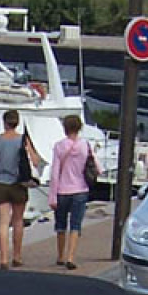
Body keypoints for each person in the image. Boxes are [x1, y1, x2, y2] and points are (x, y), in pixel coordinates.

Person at [0, 108, 43, 269]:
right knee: (18, 221)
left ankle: (3, 259)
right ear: (17, 123)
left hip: (1, 184)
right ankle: (17, 256)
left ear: (4, 122)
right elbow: (36, 161)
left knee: (3, 222)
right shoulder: (22, 140)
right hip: (19, 184)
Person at [48, 113, 95, 270]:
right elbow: (97, 167)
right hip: (80, 189)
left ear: (65, 128)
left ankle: (60, 255)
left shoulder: (59, 146)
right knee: (76, 225)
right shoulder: (85, 145)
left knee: (61, 224)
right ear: (80, 127)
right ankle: (71, 256)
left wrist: (52, 195)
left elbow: (54, 172)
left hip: (62, 190)